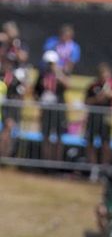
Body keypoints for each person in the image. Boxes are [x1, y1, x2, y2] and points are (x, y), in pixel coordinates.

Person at [82, 62, 112, 169]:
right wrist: (99, 98)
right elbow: (86, 101)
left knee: (106, 144)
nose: (106, 78)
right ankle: (93, 167)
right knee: (90, 143)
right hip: (93, 118)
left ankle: (105, 167)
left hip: (106, 119)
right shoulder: (92, 86)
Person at [33, 50, 66, 163]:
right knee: (45, 135)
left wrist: (58, 73)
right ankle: (45, 162)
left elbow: (68, 85)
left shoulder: (61, 72)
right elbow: (35, 91)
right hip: (46, 108)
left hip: (58, 108)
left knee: (59, 136)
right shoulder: (42, 75)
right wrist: (40, 100)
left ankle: (56, 163)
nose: (50, 66)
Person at [0, 22, 27, 159]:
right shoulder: (3, 46)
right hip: (3, 89)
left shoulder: (18, 45)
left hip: (14, 93)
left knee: (9, 126)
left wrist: (13, 44)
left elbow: (23, 57)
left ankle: (4, 156)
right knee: (7, 126)